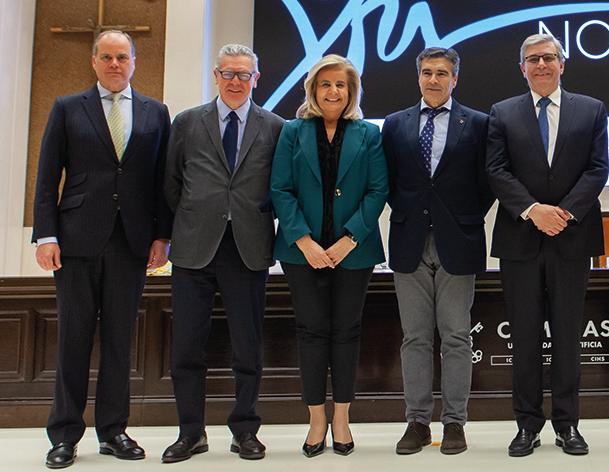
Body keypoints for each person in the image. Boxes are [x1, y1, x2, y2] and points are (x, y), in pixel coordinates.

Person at [33, 30, 171, 469]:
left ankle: (113, 431)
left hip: (131, 242)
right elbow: (46, 174)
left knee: (119, 342)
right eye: (107, 57)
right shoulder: (67, 108)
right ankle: (64, 434)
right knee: (73, 339)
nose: (115, 64)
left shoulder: (156, 112)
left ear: (134, 62)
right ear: (94, 62)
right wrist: (46, 234)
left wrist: (161, 236)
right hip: (75, 241)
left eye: (122, 57)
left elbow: (161, 183)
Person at [486, 33, 608, 457]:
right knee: (523, 337)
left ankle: (567, 424)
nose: (541, 65)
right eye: (532, 59)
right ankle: (527, 425)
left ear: (562, 63)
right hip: (520, 239)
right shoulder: (502, 113)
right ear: (522, 67)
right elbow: (496, 171)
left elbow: (597, 170)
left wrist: (564, 213)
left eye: (548, 58)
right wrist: (534, 210)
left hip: (572, 239)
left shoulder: (591, 109)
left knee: (569, 335)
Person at [161, 44, 285, 462]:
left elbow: (280, 187)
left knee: (247, 347)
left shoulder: (274, 126)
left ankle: (245, 430)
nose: (235, 81)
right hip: (195, 247)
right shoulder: (187, 122)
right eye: (227, 74)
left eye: (243, 75)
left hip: (247, 249)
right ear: (216, 76)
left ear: (257, 78)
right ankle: (190, 432)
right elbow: (172, 182)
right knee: (186, 349)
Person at [270, 54, 388, 458]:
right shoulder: (291, 132)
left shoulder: (369, 134)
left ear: (351, 91)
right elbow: (280, 190)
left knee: (347, 332)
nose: (333, 91)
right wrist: (304, 241)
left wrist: (348, 240)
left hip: (353, 253)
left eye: (341, 85)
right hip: (301, 252)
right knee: (311, 331)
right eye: (326, 84)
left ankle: (342, 417)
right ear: (313, 90)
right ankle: (316, 418)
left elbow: (378, 192)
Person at [382, 47, 492, 455]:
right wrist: (415, 214)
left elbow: (487, 184)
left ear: (455, 78)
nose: (433, 79)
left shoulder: (479, 124)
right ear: (418, 76)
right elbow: (389, 181)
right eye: (427, 72)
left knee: (456, 336)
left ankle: (455, 423)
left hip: (459, 241)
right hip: (409, 240)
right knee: (414, 337)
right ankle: (417, 421)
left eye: (442, 73)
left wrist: (459, 217)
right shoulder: (394, 125)